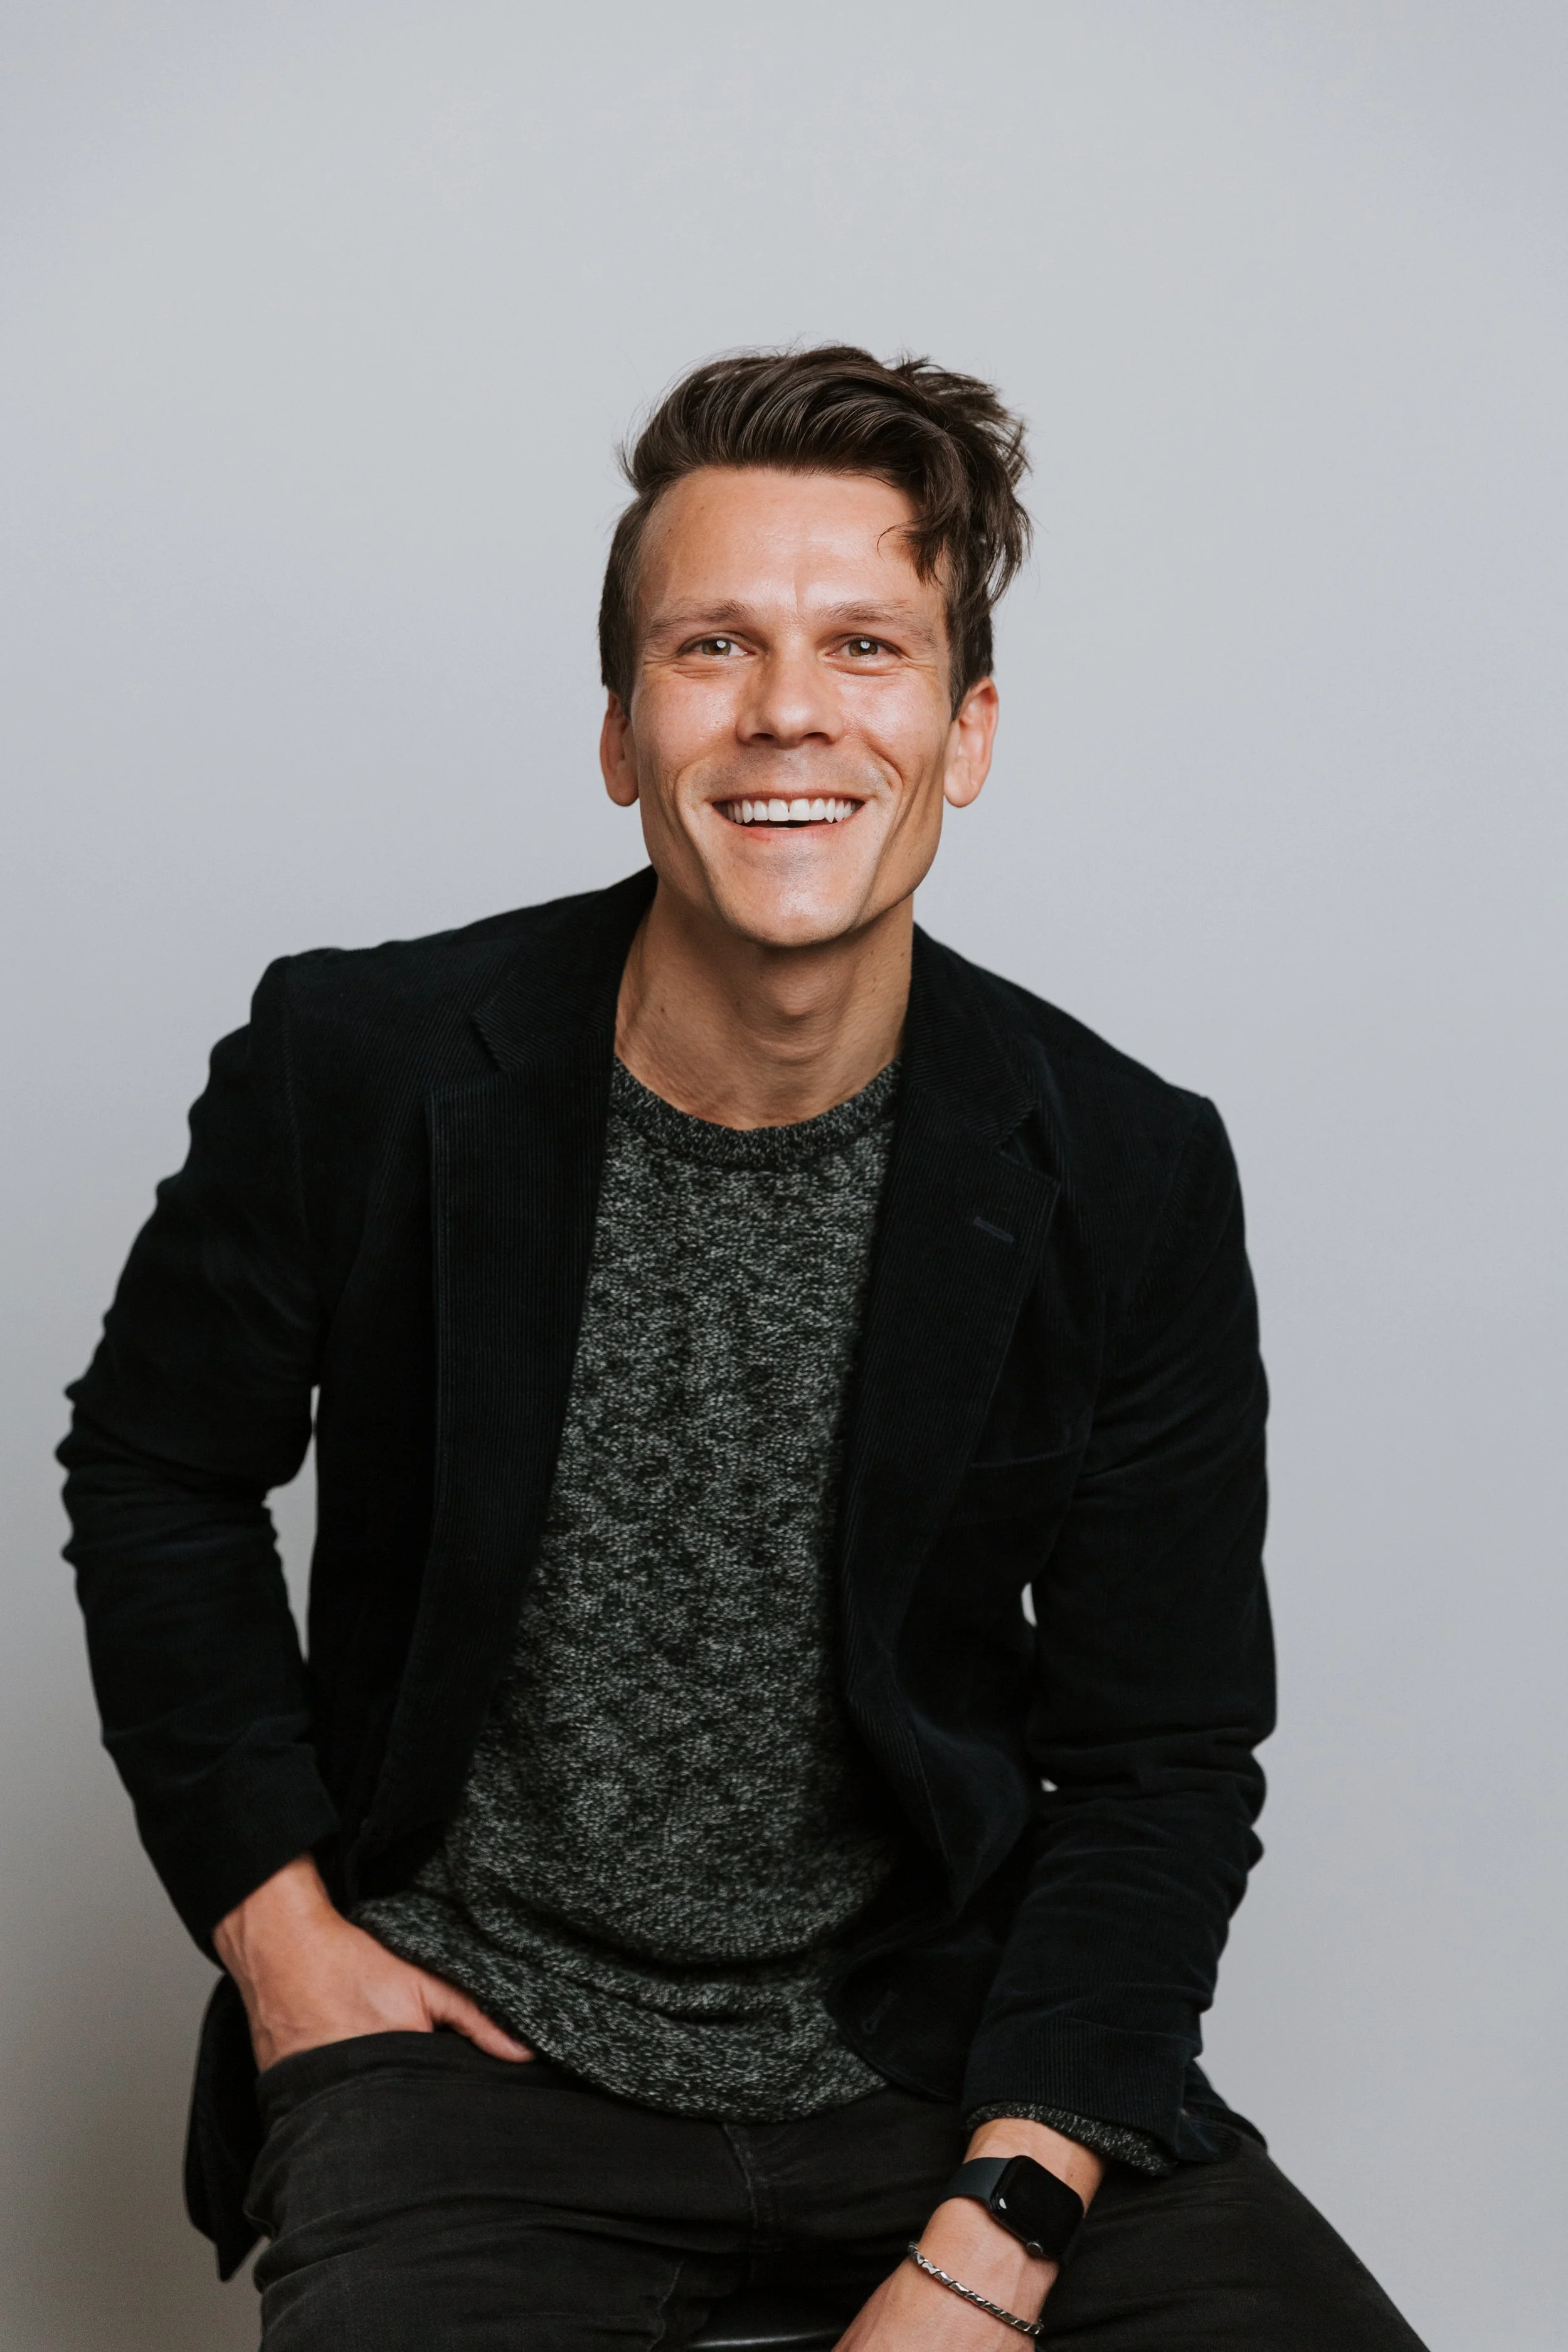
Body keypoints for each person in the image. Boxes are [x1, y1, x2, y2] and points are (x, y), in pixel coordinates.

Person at [60, 346, 1426, 2350]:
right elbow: (155, 1468)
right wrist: (281, 1943)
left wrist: (995, 2232)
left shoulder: (1122, 1168)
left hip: (935, 2052)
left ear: (963, 731)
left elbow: (1158, 1752)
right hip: (469, 2054)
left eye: (865, 646)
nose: (791, 709)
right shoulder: (350, 1070)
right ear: (621, 731)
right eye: (715, 646)